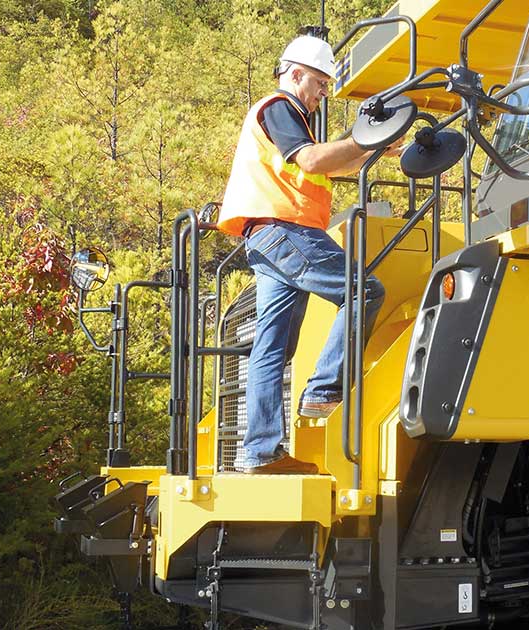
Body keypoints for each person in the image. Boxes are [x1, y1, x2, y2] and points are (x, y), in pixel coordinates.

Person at [216, 35, 401, 475]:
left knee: (271, 348)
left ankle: (260, 454)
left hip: (267, 237)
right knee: (364, 291)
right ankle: (323, 390)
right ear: (295, 74)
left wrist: (374, 146)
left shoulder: (292, 120)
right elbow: (315, 161)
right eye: (319, 83)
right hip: (286, 230)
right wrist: (362, 138)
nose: (322, 93)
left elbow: (333, 164)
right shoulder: (279, 107)